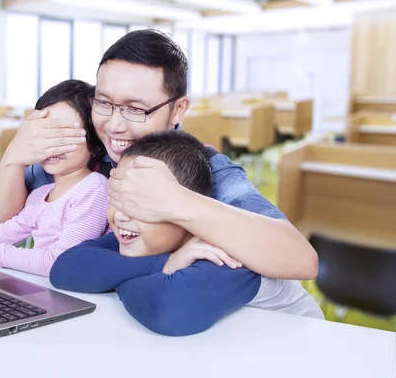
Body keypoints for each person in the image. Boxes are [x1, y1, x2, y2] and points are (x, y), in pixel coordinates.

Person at [0, 29, 318, 280]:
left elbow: (301, 260)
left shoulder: (204, 167)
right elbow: (12, 217)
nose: (114, 125)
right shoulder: (89, 154)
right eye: (103, 103)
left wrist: (175, 200)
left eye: (135, 109)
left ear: (178, 109)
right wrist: (12, 159)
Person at [50, 130, 324, 336]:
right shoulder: (145, 236)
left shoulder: (223, 246)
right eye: (118, 197)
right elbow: (65, 268)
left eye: (139, 203)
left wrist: (116, 276)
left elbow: (169, 309)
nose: (121, 215)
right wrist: (164, 265)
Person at [0, 80, 109, 277]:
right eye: (45, 132)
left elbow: (62, 261)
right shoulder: (40, 195)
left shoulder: (94, 189)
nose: (53, 145)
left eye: (65, 134)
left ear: (94, 142)